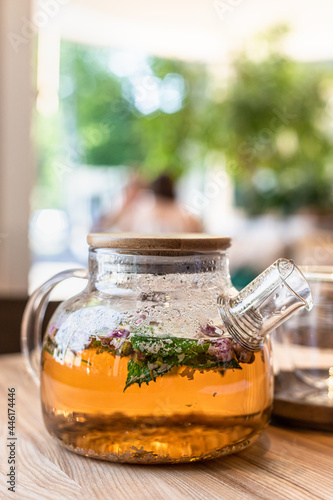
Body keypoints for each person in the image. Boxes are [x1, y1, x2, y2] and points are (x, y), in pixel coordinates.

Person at [94, 173, 203, 233]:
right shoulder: (183, 213)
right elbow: (199, 229)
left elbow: (106, 227)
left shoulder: (142, 210)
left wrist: (125, 205)